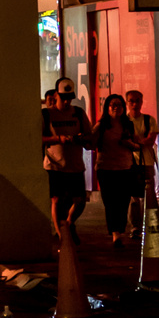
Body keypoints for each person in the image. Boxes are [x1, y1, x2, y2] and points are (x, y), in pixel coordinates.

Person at [41, 87, 93, 245]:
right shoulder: (46, 114)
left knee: (80, 200)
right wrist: (58, 139)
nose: (66, 102)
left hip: (75, 164)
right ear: (55, 95)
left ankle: (69, 223)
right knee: (56, 200)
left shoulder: (78, 112)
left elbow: (89, 136)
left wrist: (80, 139)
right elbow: (39, 137)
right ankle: (62, 235)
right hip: (55, 165)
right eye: (63, 98)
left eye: (69, 99)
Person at [92, 93, 143, 246]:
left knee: (123, 201)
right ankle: (115, 234)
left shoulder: (128, 125)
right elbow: (90, 143)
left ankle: (119, 230)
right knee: (110, 202)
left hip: (125, 168)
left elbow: (137, 145)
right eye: (113, 105)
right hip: (105, 169)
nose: (116, 108)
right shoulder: (100, 126)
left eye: (119, 105)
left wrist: (129, 145)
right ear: (107, 108)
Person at [130, 89, 157, 209]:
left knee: (149, 196)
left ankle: (152, 224)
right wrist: (142, 141)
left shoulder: (149, 120)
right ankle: (135, 226)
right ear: (127, 102)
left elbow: (151, 140)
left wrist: (135, 142)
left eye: (137, 101)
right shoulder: (124, 121)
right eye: (131, 101)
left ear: (141, 102)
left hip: (147, 162)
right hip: (129, 163)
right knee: (132, 197)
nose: (134, 104)